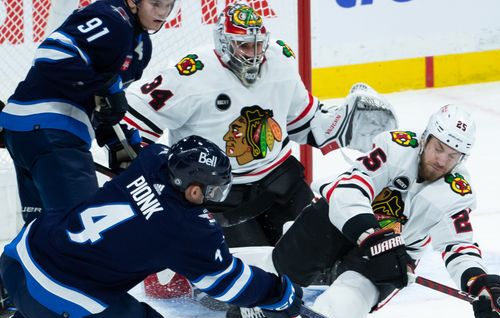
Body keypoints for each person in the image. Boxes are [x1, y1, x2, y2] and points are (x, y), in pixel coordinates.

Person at [211, 105, 500, 318]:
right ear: (425, 138)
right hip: (343, 219)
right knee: (282, 267)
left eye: (453, 155)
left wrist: (479, 282)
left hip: (392, 255)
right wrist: (369, 234)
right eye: (438, 148)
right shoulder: (395, 147)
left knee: (340, 314)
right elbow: (350, 189)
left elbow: (458, 244)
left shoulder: (457, 192)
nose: (442, 160)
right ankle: (266, 298)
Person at [0, 136, 302, 318]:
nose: (215, 198)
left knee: (40, 309)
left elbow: (145, 154)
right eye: (213, 191)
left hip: (19, 262)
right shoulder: (186, 229)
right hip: (59, 294)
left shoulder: (153, 158)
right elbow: (226, 282)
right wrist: (276, 294)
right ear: (194, 191)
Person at [120, 1, 397, 299]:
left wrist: (339, 127)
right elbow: (132, 122)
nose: (253, 54)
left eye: (257, 45)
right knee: (235, 287)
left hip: (278, 183)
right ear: (224, 44)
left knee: (323, 260)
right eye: (243, 46)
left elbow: (301, 120)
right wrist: (153, 183)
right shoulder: (191, 74)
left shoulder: (280, 59)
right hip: (218, 197)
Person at [0, 0, 176, 318]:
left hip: (41, 129)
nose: (164, 11)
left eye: (169, 4)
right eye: (156, 2)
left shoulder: (139, 44)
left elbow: (99, 104)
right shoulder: (111, 18)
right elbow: (52, 54)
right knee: (78, 239)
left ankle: (13, 314)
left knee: (41, 234)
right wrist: (105, 88)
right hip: (50, 129)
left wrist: (118, 143)